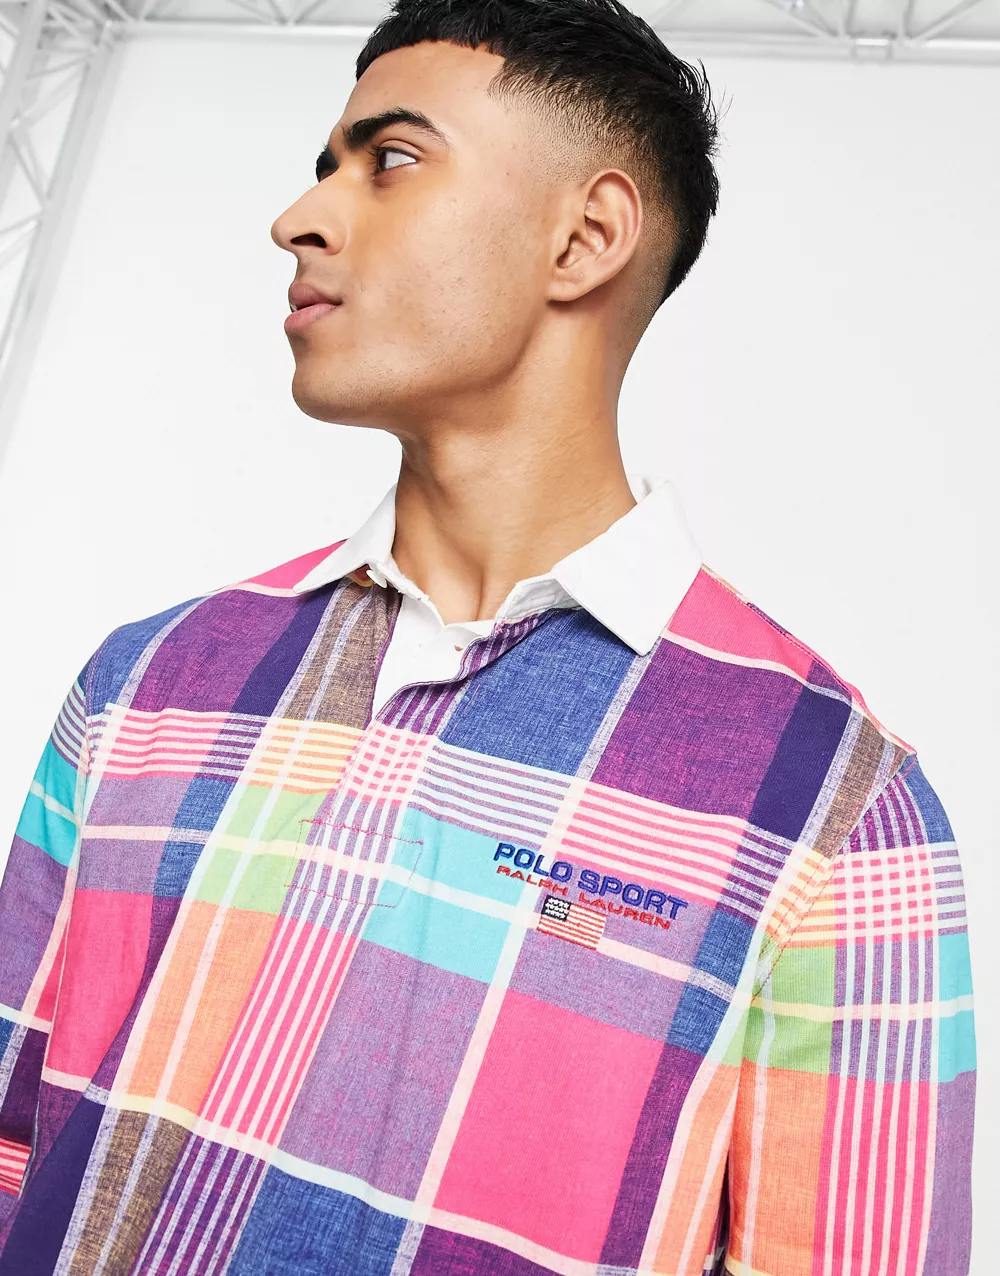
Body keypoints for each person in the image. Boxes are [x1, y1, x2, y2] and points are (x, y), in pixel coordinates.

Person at [0, 0, 976, 1271]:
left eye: (391, 159)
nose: (297, 218)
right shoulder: (147, 681)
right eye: (325, 165)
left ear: (586, 236)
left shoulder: (837, 810)